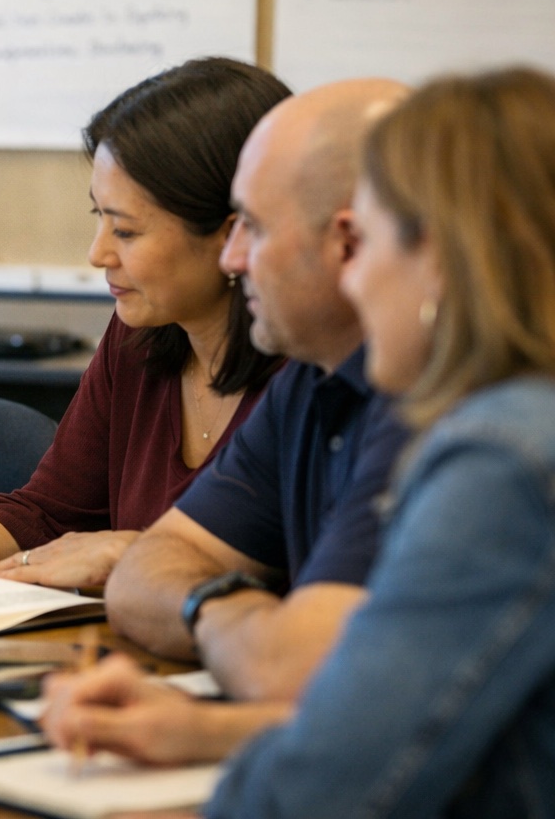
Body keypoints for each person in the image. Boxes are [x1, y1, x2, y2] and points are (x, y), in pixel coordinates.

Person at [46, 66, 555, 817]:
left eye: (369, 238)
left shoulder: (499, 458)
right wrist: (207, 728)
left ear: (437, 259)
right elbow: (418, 713)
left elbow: (322, 787)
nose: (356, 273)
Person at [0, 58, 288, 592]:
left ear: (234, 235)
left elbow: (313, 567)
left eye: (127, 231)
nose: (98, 254)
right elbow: (48, 515)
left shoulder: (313, 373)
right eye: (99, 218)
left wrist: (136, 553)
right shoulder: (139, 336)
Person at [105, 79, 413, 702]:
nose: (233, 257)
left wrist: (220, 626)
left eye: (254, 226)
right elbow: (140, 576)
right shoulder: (310, 376)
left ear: (348, 244)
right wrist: (226, 617)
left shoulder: (433, 404)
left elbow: (295, 668)